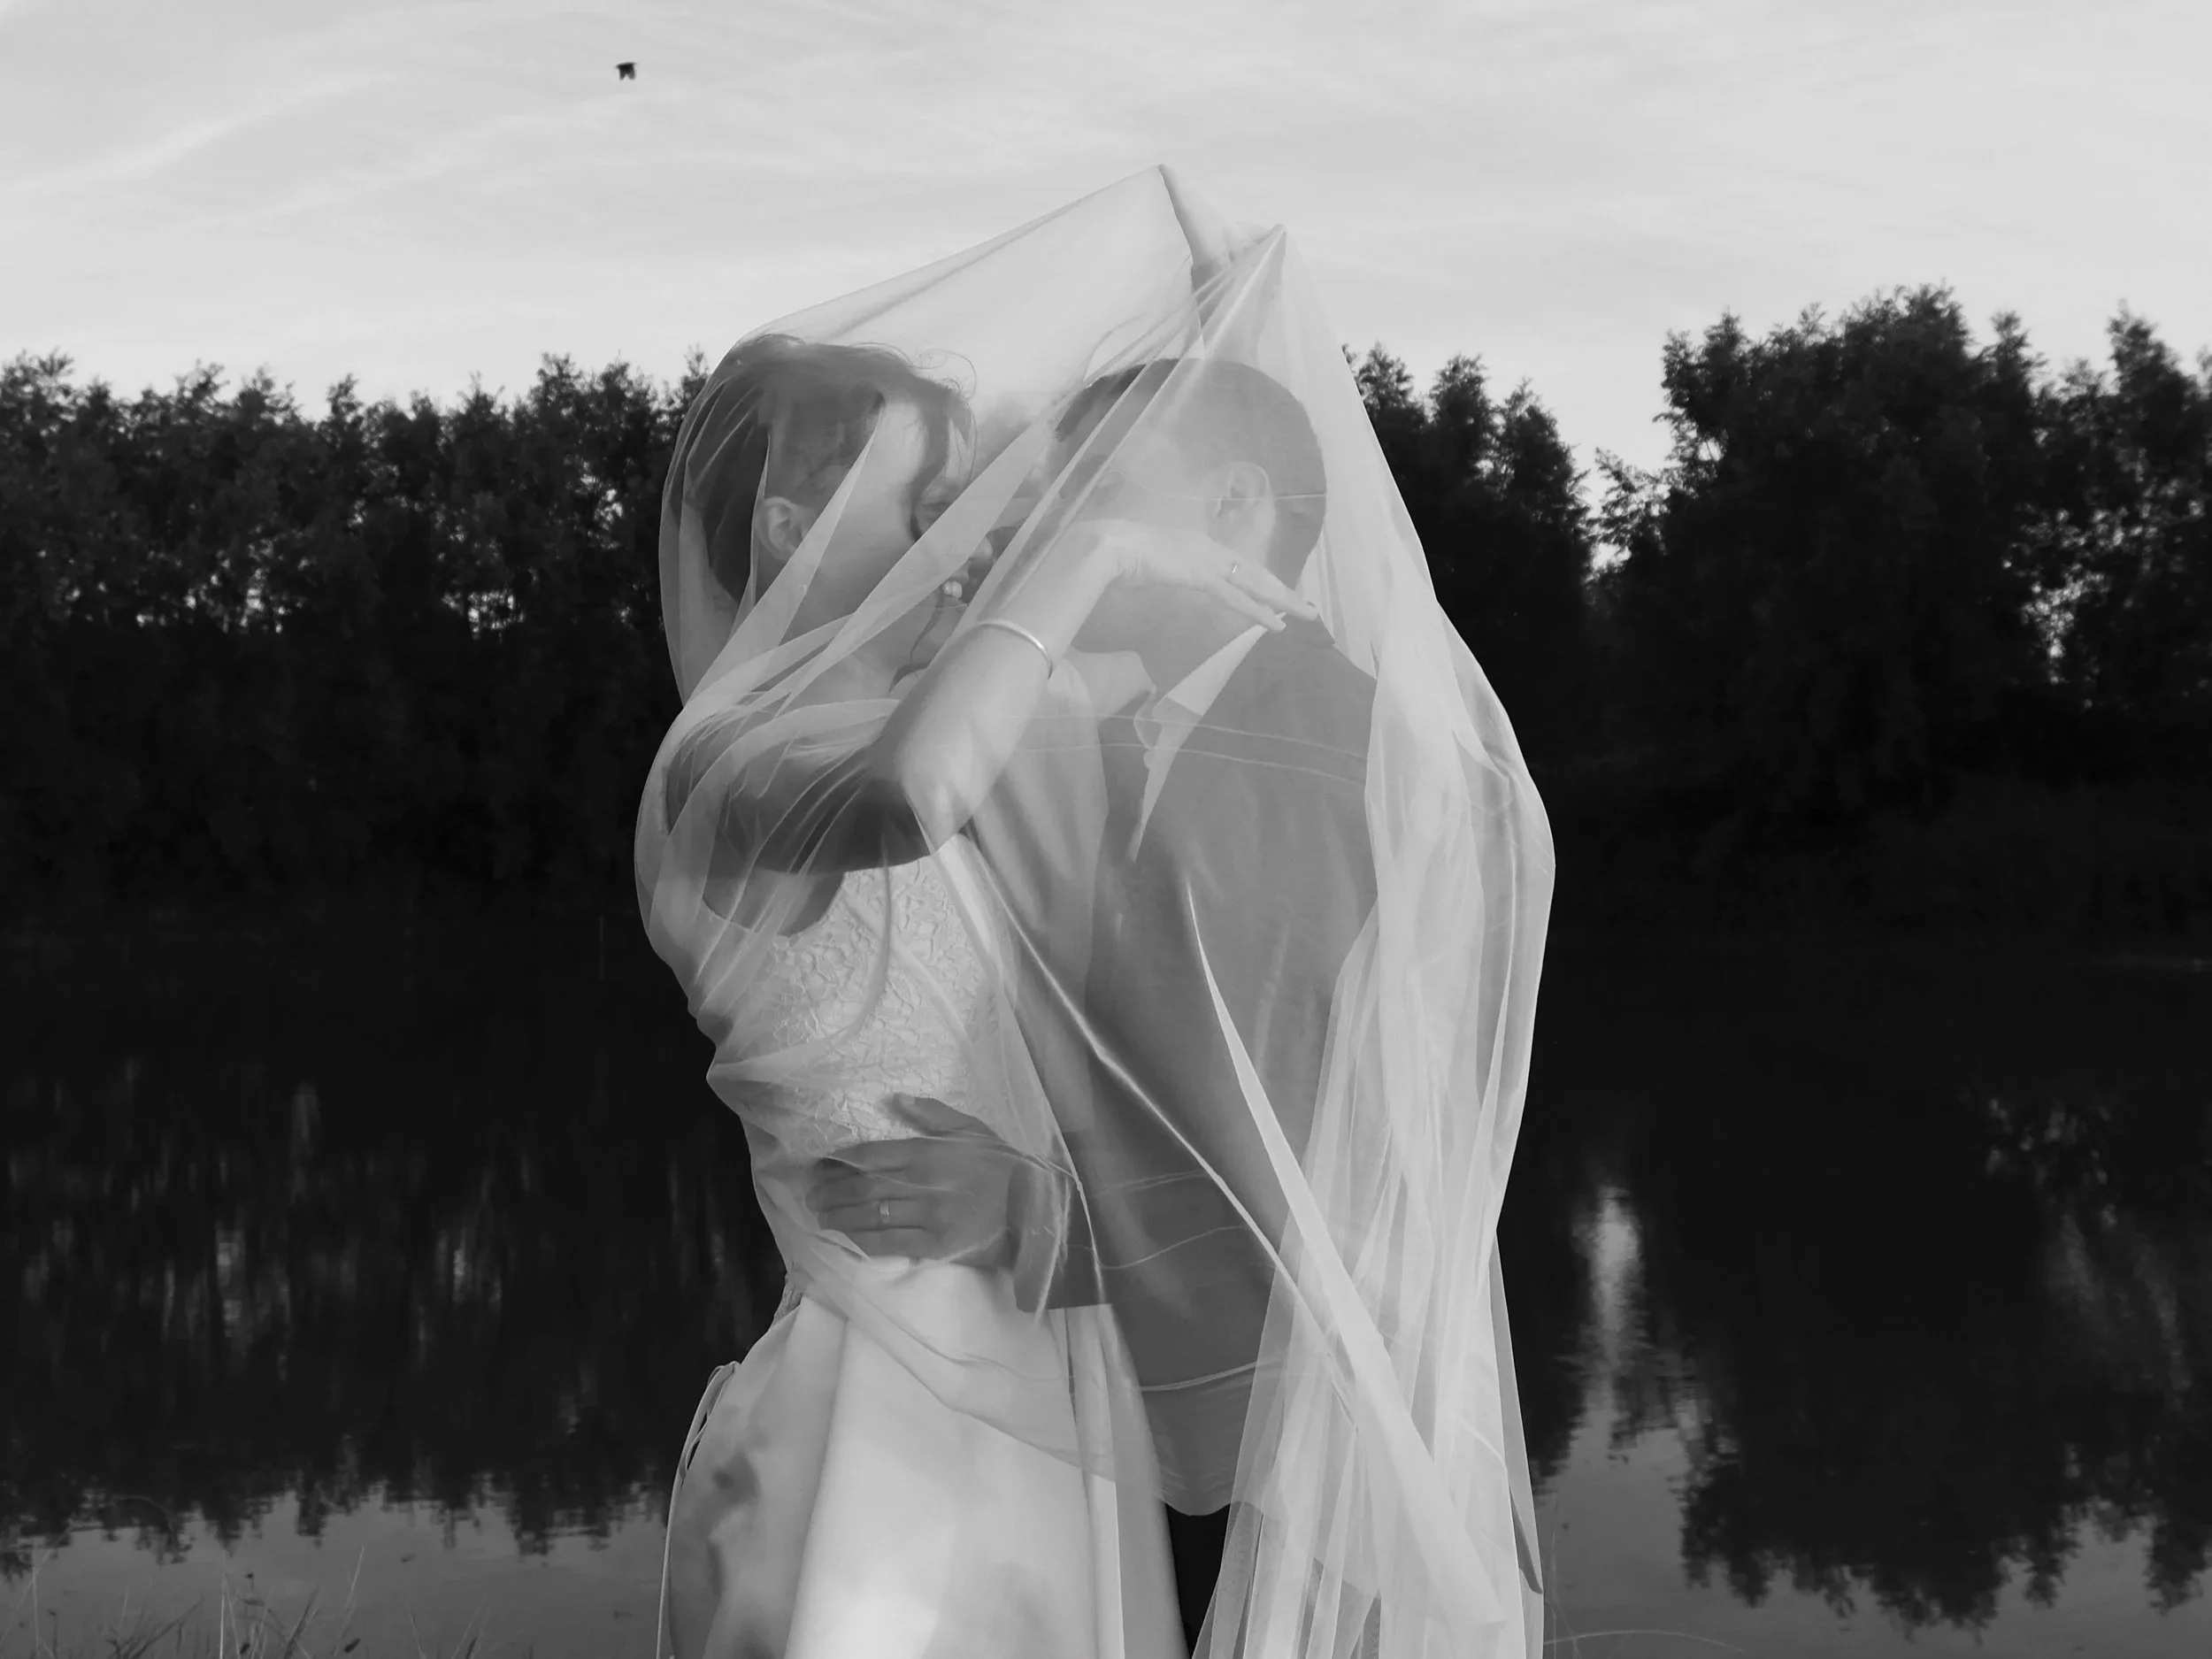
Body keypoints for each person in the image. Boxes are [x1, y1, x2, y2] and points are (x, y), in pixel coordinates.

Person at [639, 165, 1553, 1659]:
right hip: (895, 1399)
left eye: (990, 496)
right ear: (798, 524)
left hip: (1082, 1396)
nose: (992, 527)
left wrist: (1227, 330)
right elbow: (924, 788)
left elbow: (1290, 1117)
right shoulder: (740, 764)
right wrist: (1108, 540)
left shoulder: (1202, 743)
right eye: (936, 501)